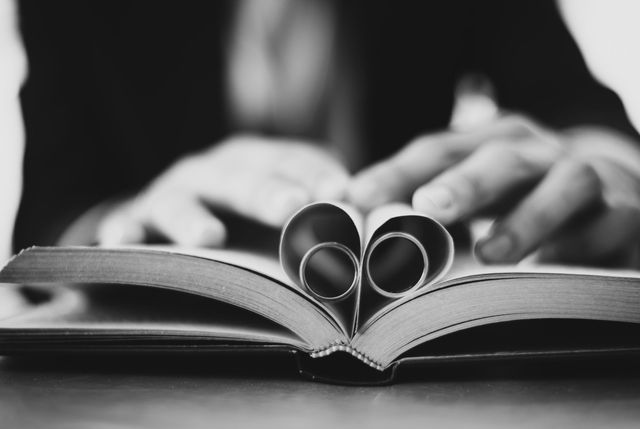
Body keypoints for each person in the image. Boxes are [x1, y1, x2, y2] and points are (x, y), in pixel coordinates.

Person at [10, 0, 640, 268]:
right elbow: (49, 209)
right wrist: (119, 227)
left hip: (405, 328)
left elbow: (576, 106)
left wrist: (606, 170)